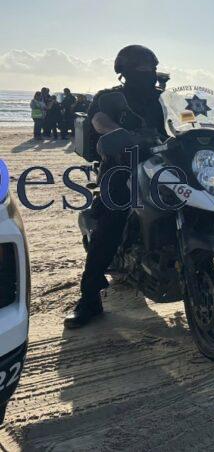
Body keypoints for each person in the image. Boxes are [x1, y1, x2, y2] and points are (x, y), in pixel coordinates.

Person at [64, 45, 166, 329]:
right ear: (125, 71)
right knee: (112, 220)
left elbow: (185, 120)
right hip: (121, 166)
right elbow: (98, 120)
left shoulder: (164, 98)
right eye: (141, 68)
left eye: (151, 68)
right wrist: (118, 132)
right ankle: (89, 299)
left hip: (164, 164)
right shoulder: (109, 97)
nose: (148, 73)